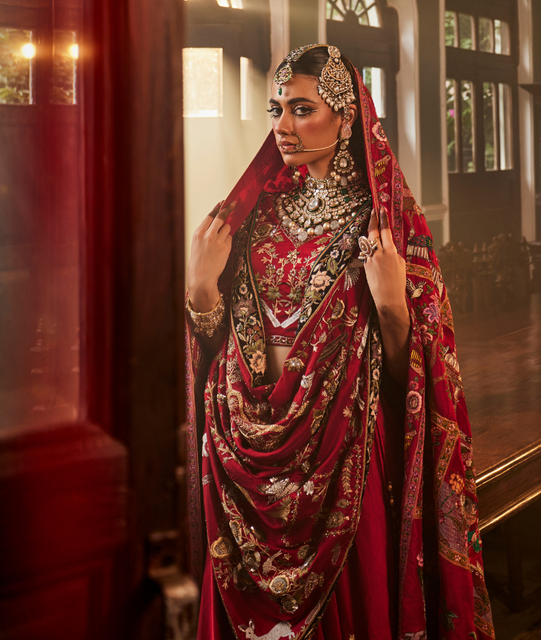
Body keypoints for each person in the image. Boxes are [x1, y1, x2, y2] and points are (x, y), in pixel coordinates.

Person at [186, 44, 494, 640]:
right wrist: (200, 288)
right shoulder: (253, 213)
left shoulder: (386, 224)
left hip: (342, 459)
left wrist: (391, 306)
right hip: (242, 466)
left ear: (347, 117)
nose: (282, 126)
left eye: (302, 109)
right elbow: (215, 337)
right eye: (276, 109)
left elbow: (419, 383)